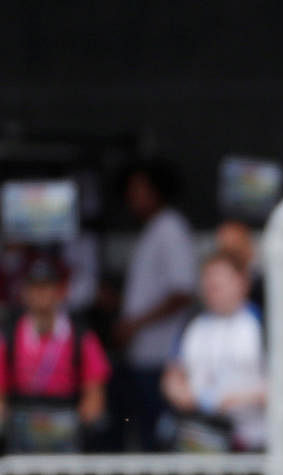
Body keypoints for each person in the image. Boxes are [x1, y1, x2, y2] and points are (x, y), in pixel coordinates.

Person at [115, 160, 198, 450]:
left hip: (162, 357)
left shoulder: (171, 228)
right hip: (141, 356)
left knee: (160, 440)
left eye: (139, 190)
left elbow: (182, 292)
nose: (132, 198)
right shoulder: (151, 230)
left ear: (156, 191)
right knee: (142, 434)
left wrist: (136, 323)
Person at [0, 254, 110, 453]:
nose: (41, 294)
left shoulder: (80, 334)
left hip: (66, 432)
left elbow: (95, 396)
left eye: (47, 287)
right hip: (21, 434)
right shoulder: (9, 335)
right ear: (24, 292)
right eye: (35, 287)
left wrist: (74, 424)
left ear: (60, 292)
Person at [161, 251, 267, 452]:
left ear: (242, 282)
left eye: (219, 282)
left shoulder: (262, 324)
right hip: (199, 439)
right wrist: (183, 394)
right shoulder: (193, 324)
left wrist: (230, 399)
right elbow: (173, 373)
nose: (212, 288)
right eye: (208, 281)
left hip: (251, 442)